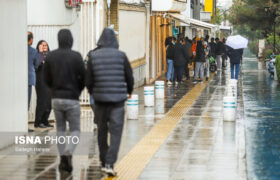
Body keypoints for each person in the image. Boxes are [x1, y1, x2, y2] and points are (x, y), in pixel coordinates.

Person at [86, 28, 134, 177]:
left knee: (101, 131)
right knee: (116, 133)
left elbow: (88, 80)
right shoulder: (121, 56)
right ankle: (110, 163)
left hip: (100, 101)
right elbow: (129, 77)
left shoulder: (93, 56)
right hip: (118, 101)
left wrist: (94, 92)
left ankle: (103, 160)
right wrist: (129, 91)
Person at [44, 29, 86, 172]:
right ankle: (68, 151)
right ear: (71, 40)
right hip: (72, 99)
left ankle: (63, 159)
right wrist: (78, 91)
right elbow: (84, 78)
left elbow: (46, 79)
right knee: (75, 130)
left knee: (60, 130)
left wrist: (54, 90)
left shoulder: (51, 56)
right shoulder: (76, 56)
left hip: (56, 98)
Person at [34, 40, 53, 128]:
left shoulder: (50, 55)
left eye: (46, 45)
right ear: (39, 46)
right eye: (42, 45)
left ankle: (45, 120)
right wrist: (40, 52)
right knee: (42, 101)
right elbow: (37, 65)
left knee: (49, 102)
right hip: (41, 81)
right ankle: (38, 121)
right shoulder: (37, 55)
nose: (44, 46)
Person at [27, 32, 38, 110]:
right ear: (31, 39)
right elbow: (37, 65)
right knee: (27, 101)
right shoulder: (34, 51)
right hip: (29, 79)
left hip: (17, 79)